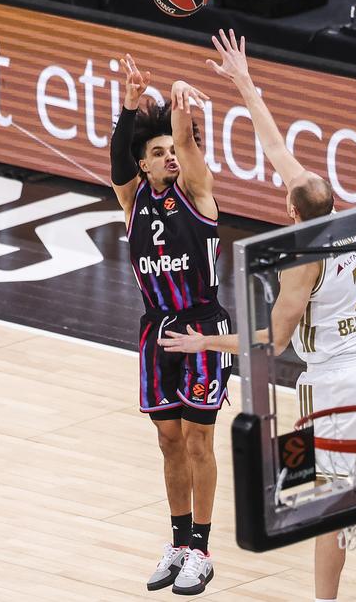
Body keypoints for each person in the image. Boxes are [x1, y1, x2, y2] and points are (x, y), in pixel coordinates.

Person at [158, 30, 356, 602]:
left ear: (292, 210)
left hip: (340, 383)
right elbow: (275, 148)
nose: (284, 182)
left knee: (333, 504)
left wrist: (206, 346)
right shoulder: (338, 218)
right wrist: (243, 80)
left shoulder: (302, 264)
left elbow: (271, 342)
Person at [108, 53, 232, 595]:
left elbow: (188, 148)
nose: (169, 158)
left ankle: (201, 551)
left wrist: (179, 110)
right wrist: (130, 106)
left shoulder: (198, 193)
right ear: (144, 166)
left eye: (172, 150)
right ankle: (178, 541)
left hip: (202, 327)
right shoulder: (133, 202)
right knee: (167, 440)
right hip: (157, 331)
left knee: (200, 442)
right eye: (156, 153)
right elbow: (116, 166)